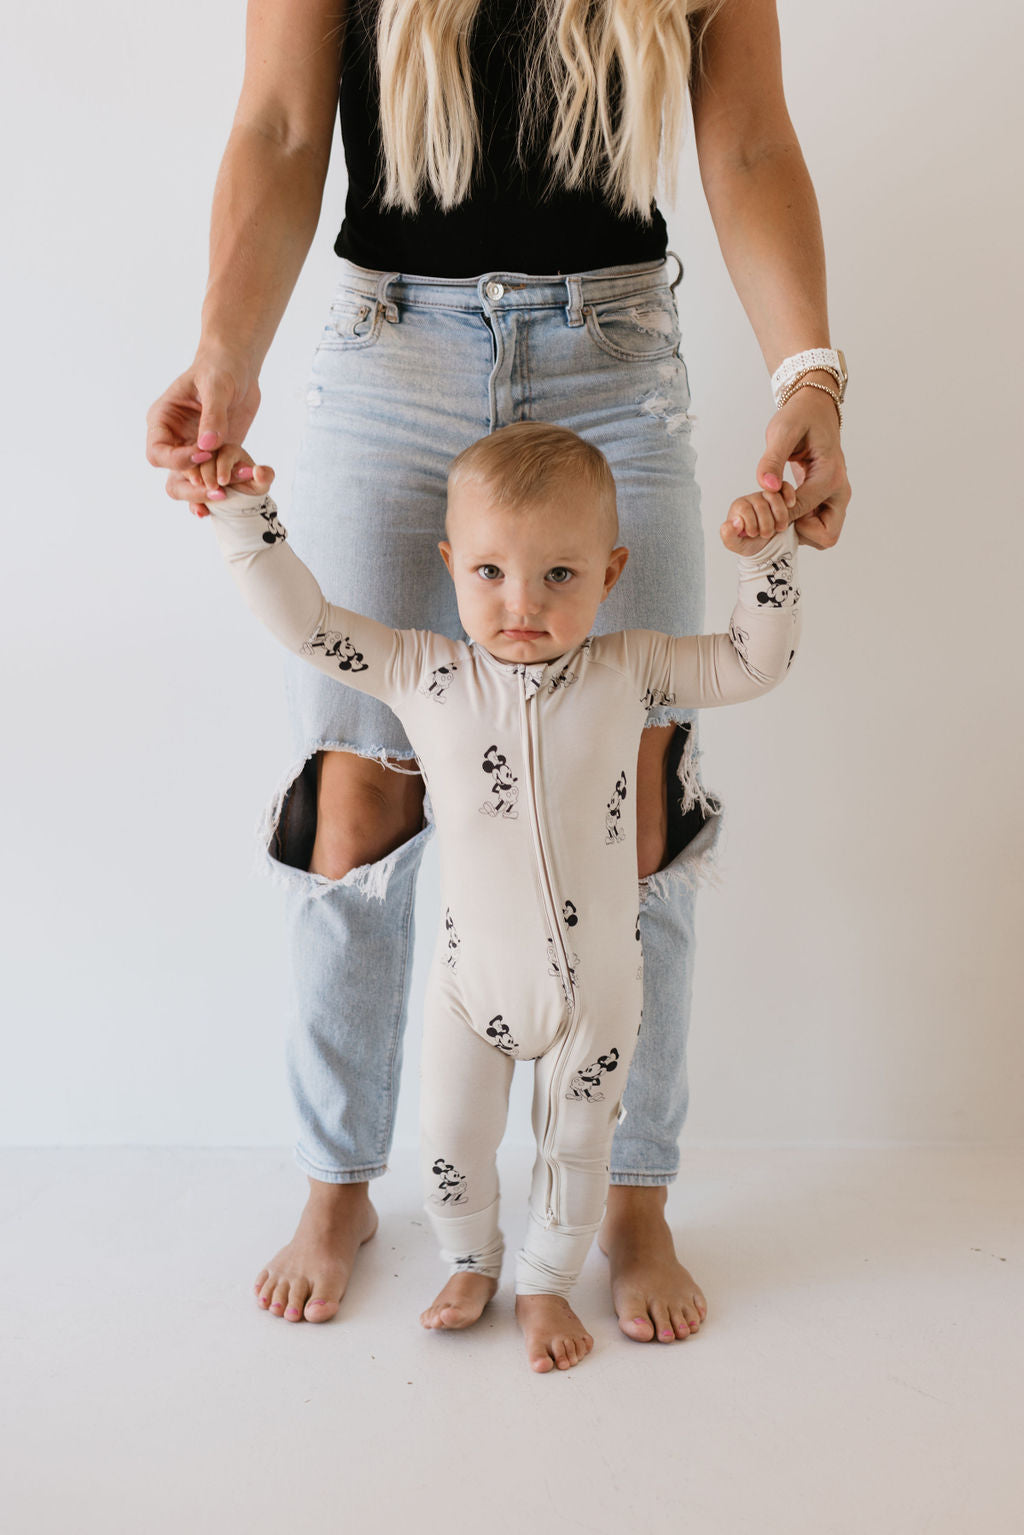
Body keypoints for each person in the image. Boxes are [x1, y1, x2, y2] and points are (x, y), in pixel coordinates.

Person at [146, 0, 850, 1339]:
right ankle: (340, 1179)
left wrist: (809, 374)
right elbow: (288, 123)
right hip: (389, 353)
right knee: (355, 793)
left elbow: (748, 141)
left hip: (615, 353)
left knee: (642, 799)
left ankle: (634, 1197)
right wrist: (224, 353)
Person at [197, 421, 803, 1371]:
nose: (522, 603)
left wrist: (769, 556)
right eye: (490, 573)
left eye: (560, 575)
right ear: (450, 566)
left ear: (612, 571)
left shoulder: (628, 668)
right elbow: (306, 622)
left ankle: (547, 1286)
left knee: (574, 1152)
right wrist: (243, 515)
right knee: (451, 1142)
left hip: (596, 998)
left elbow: (751, 662)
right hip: (466, 992)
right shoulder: (421, 672)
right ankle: (471, 1259)